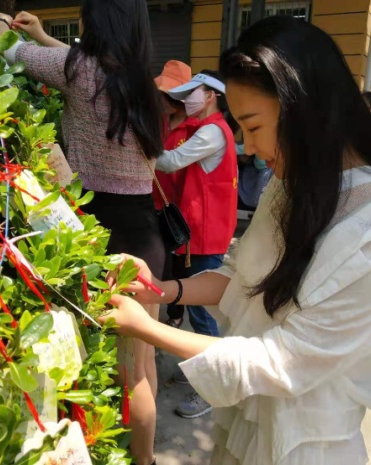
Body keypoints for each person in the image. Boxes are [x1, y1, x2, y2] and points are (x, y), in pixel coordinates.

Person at [100, 15, 371, 465]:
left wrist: (148, 329)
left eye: (253, 126)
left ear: (305, 109)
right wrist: (163, 288)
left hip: (306, 444)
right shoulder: (296, 180)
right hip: (249, 419)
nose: (248, 148)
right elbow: (243, 275)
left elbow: (283, 361)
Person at [0, 3, 164, 464]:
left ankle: (131, 457)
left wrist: (0, 22)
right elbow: (77, 63)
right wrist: (44, 35)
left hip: (102, 230)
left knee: (117, 370)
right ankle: (144, 456)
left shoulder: (81, 71)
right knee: (141, 363)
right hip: (145, 232)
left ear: (96, 21)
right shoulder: (141, 82)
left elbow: (9, 52)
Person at [154, 70, 238, 419]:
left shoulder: (212, 131)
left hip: (206, 233)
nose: (186, 99)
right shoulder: (211, 128)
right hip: (201, 232)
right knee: (195, 309)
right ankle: (202, 373)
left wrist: (138, 145)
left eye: (193, 92)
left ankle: (213, 388)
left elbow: (170, 161)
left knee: (202, 313)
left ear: (211, 96)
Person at [152, 61, 198, 335]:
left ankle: (176, 314)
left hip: (179, 206)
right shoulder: (158, 122)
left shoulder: (196, 128)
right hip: (152, 199)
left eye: (167, 95)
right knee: (161, 262)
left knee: (179, 265)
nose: (162, 100)